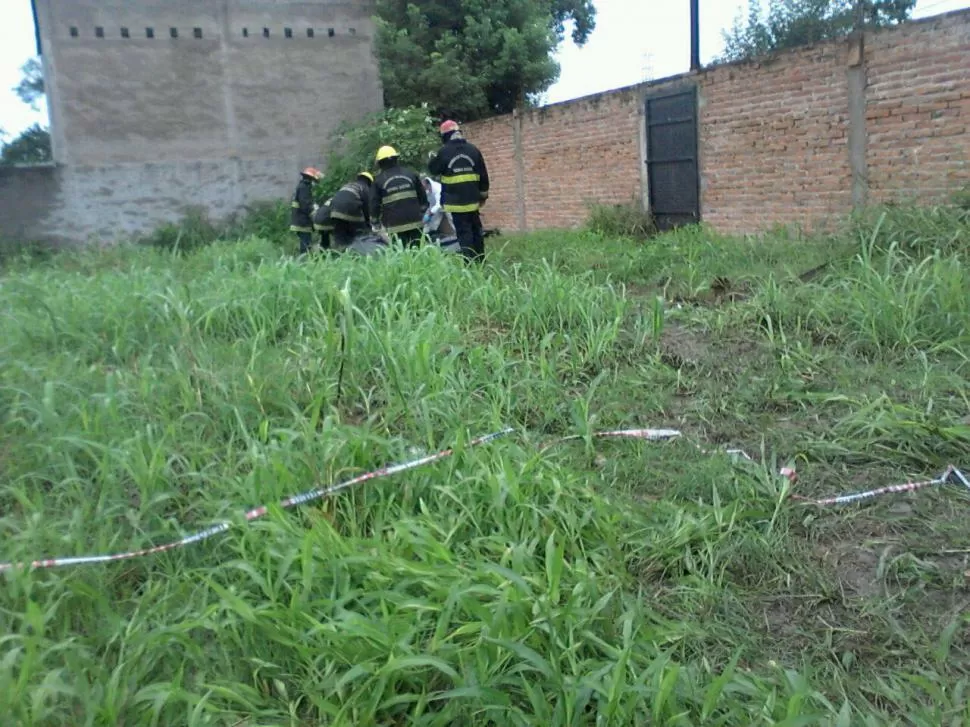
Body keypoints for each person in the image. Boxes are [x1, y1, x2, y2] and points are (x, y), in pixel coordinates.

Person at [427, 120, 489, 263]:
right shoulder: (473, 150)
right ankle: (481, 261)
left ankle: (470, 264)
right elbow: (484, 176)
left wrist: (432, 158)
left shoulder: (443, 152)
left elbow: (433, 169)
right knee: (476, 231)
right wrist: (483, 197)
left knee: (464, 233)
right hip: (473, 202)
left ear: (445, 136)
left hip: (456, 203)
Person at [370, 145, 428, 248]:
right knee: (418, 250)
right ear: (396, 158)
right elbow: (422, 196)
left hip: (394, 226)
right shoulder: (410, 174)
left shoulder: (378, 181)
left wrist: (375, 222)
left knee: (402, 254)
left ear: (380, 163)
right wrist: (423, 211)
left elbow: (374, 204)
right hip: (415, 222)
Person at [329, 171, 377, 252]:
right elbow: (366, 208)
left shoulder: (347, 185)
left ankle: (338, 253)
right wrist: (368, 224)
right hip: (350, 209)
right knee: (359, 232)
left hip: (334, 211)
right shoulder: (365, 187)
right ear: (369, 181)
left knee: (340, 233)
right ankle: (359, 251)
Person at [422, 176, 459, 252]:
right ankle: (428, 234)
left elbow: (438, 204)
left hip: (447, 204)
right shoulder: (428, 191)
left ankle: (459, 235)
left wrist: (431, 213)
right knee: (431, 222)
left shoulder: (437, 188)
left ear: (427, 184)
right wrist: (428, 213)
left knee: (452, 220)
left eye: (424, 186)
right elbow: (431, 204)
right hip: (437, 207)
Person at [290, 167, 322, 255]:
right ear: (311, 179)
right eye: (315, 181)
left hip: (301, 221)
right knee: (305, 245)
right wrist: (315, 214)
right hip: (302, 222)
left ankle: (305, 260)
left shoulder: (303, 187)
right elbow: (306, 205)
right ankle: (304, 262)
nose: (315, 183)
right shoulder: (304, 188)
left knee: (306, 243)